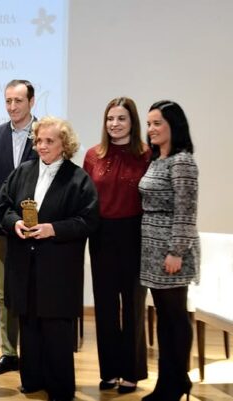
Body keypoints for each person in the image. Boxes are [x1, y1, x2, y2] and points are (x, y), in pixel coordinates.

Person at [0, 116, 99, 401]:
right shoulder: (22, 172)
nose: (41, 146)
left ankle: (60, 388)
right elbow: (1, 209)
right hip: (24, 264)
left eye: (49, 141)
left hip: (58, 268)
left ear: (65, 144)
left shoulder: (78, 179)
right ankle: (32, 379)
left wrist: (53, 229)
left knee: (57, 331)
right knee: (29, 325)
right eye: (38, 140)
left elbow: (89, 221)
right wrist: (15, 223)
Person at [83, 97, 150, 394]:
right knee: (106, 306)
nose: (114, 124)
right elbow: (85, 200)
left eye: (121, 118)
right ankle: (109, 370)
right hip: (101, 235)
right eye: (110, 118)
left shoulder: (146, 155)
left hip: (135, 234)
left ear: (132, 122)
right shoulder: (92, 155)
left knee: (133, 305)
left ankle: (132, 372)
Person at [138, 100, 199, 401]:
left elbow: (186, 211)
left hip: (171, 253)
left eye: (157, 123)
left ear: (174, 125)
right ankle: (168, 382)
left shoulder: (182, 161)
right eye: (149, 123)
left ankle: (177, 382)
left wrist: (176, 250)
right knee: (165, 318)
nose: (151, 129)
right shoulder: (156, 159)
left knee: (175, 319)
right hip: (152, 251)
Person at [0, 79, 39, 376]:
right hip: (4, 225)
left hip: (39, 228)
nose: (13, 106)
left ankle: (36, 352)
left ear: (32, 101)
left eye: (18, 100)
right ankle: (9, 352)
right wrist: (3, 210)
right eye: (8, 101)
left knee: (36, 289)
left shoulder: (46, 134)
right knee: (7, 291)